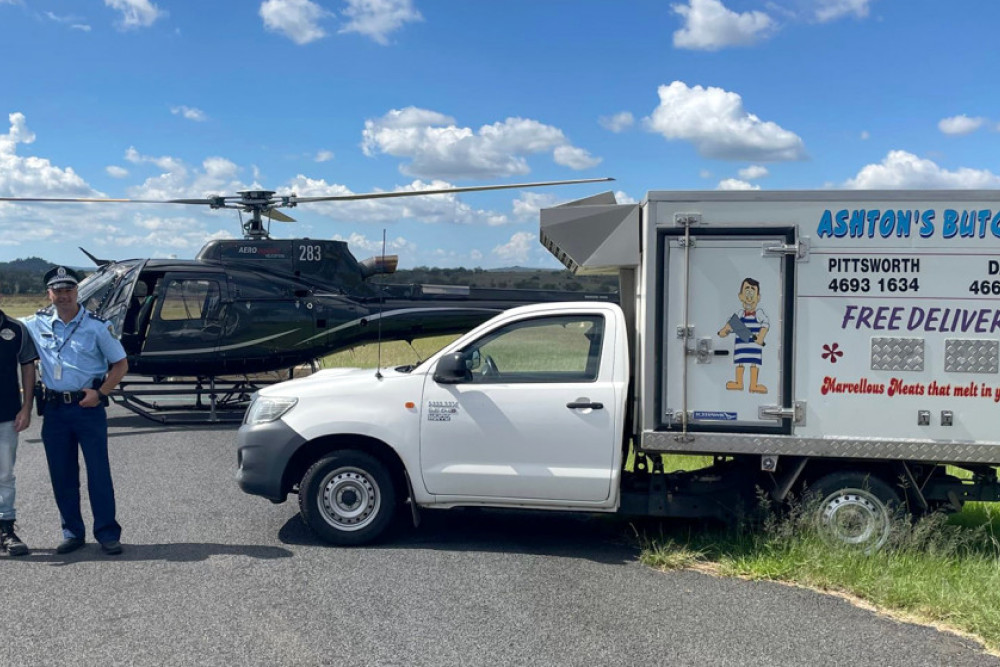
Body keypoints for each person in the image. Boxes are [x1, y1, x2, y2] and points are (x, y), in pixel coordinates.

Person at [24, 266, 129, 555]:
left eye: (69, 289)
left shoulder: (97, 326)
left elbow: (120, 364)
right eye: (57, 290)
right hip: (55, 410)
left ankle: (107, 533)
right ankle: (72, 532)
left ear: (77, 291)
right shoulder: (35, 323)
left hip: (88, 408)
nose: (64, 295)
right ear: (49, 294)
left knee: (99, 473)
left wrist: (102, 393)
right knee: (62, 475)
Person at [0, 294, 38, 556]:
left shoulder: (16, 329)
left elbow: (27, 366)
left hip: (6, 414)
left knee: (4, 475)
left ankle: (6, 529)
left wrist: (27, 407)